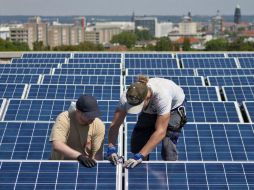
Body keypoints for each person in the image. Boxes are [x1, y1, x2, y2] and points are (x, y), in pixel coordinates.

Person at [107, 75, 187, 168]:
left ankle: (169, 171)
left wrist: (140, 156)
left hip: (173, 109)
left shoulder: (162, 97)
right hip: (150, 108)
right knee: (138, 142)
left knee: (167, 146)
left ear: (147, 99)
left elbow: (160, 131)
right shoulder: (126, 97)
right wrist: (111, 148)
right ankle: (143, 170)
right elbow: (115, 124)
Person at [49, 94, 105, 168]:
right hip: (59, 166)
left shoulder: (98, 125)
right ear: (78, 111)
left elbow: (97, 155)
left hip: (82, 167)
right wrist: (79, 156)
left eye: (94, 115)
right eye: (89, 115)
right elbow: (57, 145)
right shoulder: (64, 118)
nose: (92, 118)